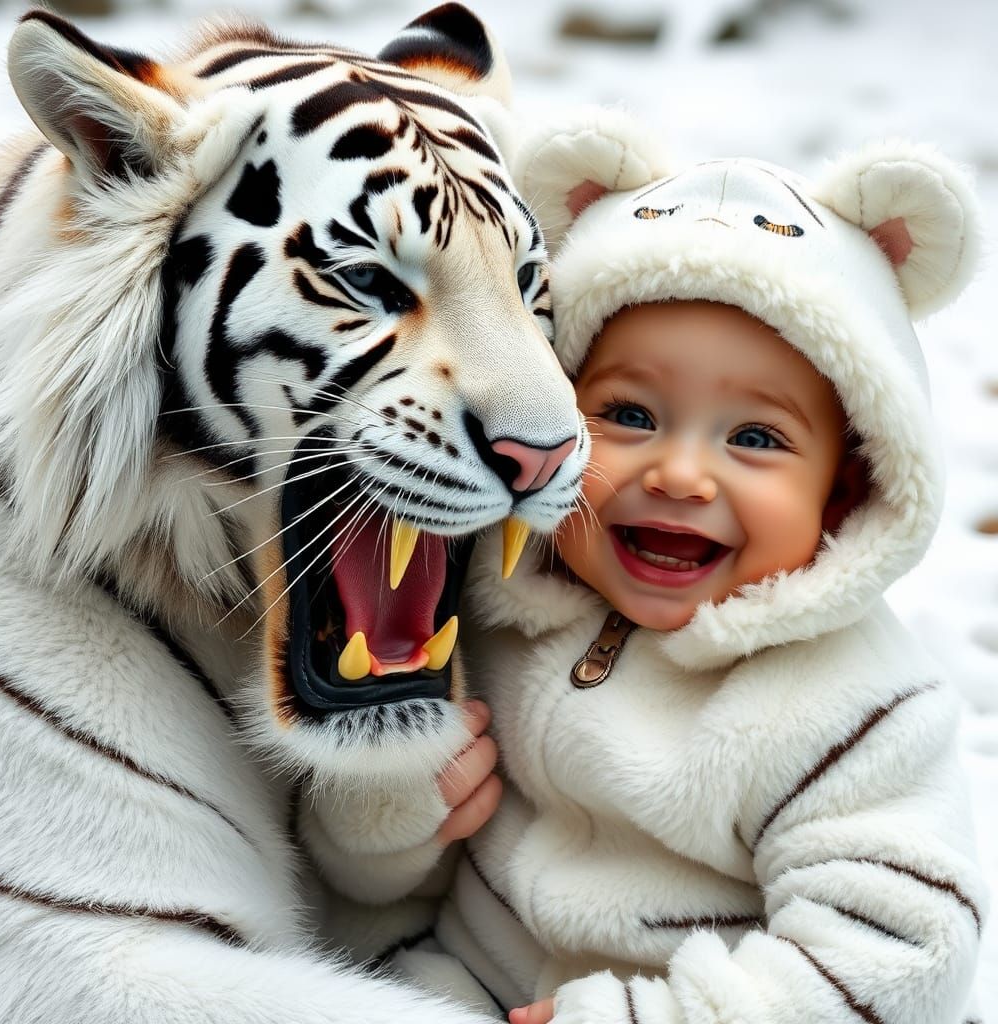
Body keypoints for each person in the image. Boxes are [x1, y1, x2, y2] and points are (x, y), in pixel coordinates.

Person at [308, 117, 987, 1024]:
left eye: (755, 437)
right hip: (460, 988)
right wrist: (381, 821)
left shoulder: (852, 709)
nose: (677, 474)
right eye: (628, 414)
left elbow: (903, 951)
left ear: (847, 487)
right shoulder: (493, 609)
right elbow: (372, 887)